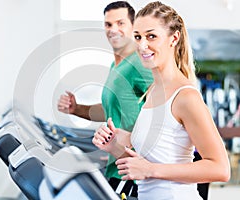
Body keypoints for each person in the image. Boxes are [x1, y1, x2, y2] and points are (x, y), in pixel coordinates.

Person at [92, 1, 230, 199]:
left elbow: (221, 169)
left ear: (174, 38)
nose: (142, 45)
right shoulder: (152, 90)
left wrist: (151, 170)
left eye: (151, 36)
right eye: (138, 37)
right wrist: (113, 144)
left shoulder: (185, 96)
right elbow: (145, 166)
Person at [57, 1, 153, 197]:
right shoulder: (115, 66)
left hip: (134, 171)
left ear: (133, 26)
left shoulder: (140, 62)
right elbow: (110, 109)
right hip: (116, 166)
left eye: (120, 23)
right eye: (108, 25)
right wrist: (77, 109)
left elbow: (167, 108)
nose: (113, 29)